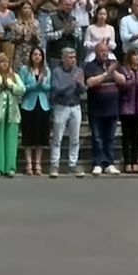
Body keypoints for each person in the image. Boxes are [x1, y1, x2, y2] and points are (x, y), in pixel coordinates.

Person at [84, 42, 126, 176]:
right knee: (97, 137)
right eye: (101, 51)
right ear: (96, 52)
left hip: (112, 107)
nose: (104, 53)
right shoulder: (90, 66)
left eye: (106, 51)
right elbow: (90, 82)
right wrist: (105, 75)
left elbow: (123, 80)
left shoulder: (114, 64)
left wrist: (112, 73)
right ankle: (98, 163)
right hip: (96, 108)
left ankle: (109, 163)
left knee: (110, 137)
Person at [49, 47, 87, 178]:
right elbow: (56, 89)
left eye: (74, 57)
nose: (73, 60)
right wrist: (72, 83)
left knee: (75, 138)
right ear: (63, 58)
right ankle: (54, 165)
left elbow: (83, 90)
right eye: (70, 57)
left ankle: (73, 164)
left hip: (75, 106)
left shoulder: (79, 71)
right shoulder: (56, 72)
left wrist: (80, 84)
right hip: (61, 106)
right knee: (57, 138)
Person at [19, 47, 51, 176]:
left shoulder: (47, 70)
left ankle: (38, 164)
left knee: (40, 136)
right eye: (35, 54)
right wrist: (35, 85)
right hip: (28, 105)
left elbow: (50, 87)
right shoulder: (24, 70)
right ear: (31, 56)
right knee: (28, 136)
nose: (37, 57)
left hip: (43, 105)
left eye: (39, 55)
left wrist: (42, 85)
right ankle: (28, 164)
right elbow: (21, 87)